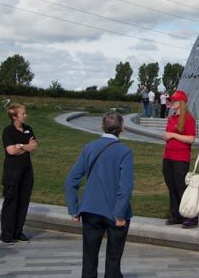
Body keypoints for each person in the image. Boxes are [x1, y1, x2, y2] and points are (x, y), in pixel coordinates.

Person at [65, 112, 133, 277]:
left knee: (88, 260)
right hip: (115, 212)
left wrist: (74, 209)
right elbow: (125, 187)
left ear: (102, 126)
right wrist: (119, 214)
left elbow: (71, 180)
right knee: (113, 260)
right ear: (122, 128)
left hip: (90, 210)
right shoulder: (125, 152)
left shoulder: (89, 147)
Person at [0, 103, 38, 244]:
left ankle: (18, 232)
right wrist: (25, 146)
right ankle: (7, 235)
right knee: (11, 202)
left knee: (23, 202)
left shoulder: (28, 129)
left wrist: (20, 146)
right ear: (15, 116)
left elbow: (33, 146)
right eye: (23, 113)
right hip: (12, 172)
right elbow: (11, 151)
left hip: (27, 171)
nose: (25, 115)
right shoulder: (8, 131)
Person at [162, 89, 197, 228]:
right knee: (171, 186)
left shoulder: (188, 119)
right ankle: (176, 215)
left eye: (174, 100)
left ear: (181, 102)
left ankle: (190, 216)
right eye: (171, 100)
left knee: (181, 186)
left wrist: (173, 135)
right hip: (168, 156)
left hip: (181, 158)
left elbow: (191, 139)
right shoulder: (171, 118)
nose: (171, 102)